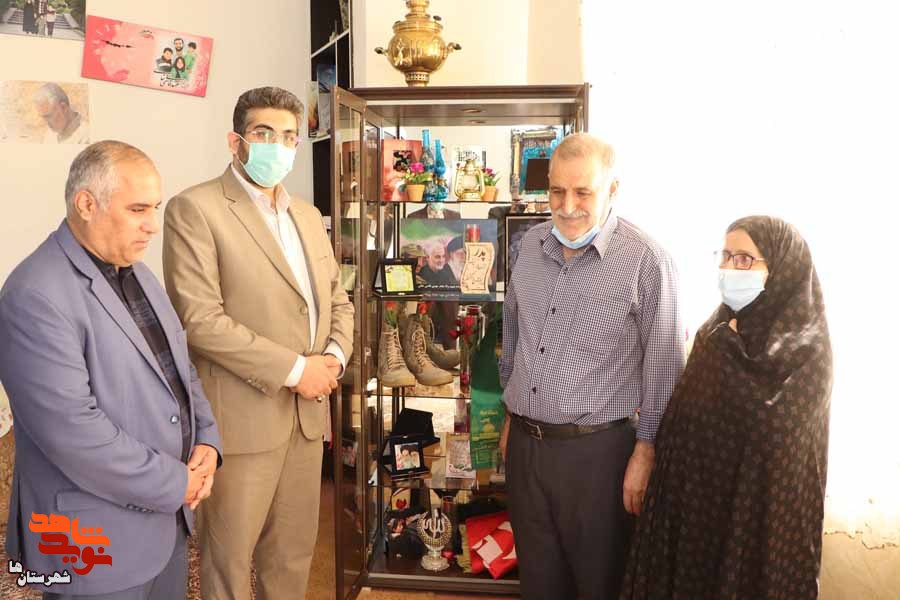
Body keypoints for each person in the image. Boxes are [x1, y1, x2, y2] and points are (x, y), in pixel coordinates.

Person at [0, 140, 221, 599]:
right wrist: (177, 482)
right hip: (91, 541)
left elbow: (180, 368)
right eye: (138, 209)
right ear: (86, 204)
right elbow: (73, 433)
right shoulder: (33, 295)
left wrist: (207, 440)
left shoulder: (139, 274)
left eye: (155, 208)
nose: (153, 225)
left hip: (165, 526)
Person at [163, 86, 354, 600]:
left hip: (307, 419)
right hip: (242, 422)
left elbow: (338, 301)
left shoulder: (307, 216)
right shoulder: (195, 209)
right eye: (263, 133)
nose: (278, 146)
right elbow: (200, 320)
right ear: (236, 142)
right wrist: (297, 370)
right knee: (228, 563)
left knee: (292, 558)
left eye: (289, 136)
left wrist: (332, 359)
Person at [499, 132, 684, 600]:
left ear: (612, 189)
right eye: (557, 191)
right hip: (525, 449)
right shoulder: (528, 246)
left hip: (599, 457)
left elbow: (665, 369)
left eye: (583, 192)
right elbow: (513, 334)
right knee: (538, 584)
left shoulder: (647, 261)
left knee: (599, 586)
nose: (567, 206)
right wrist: (509, 415)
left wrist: (646, 452)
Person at [620, 216, 832, 600]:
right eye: (726, 256)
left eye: (745, 259)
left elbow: (773, 433)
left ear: (782, 269)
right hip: (694, 512)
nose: (730, 268)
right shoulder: (715, 329)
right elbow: (684, 417)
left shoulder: (806, 351)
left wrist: (729, 357)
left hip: (757, 521)